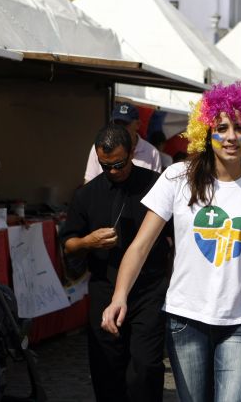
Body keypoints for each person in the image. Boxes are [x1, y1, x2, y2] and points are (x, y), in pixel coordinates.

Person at [101, 82, 241, 402]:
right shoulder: (177, 178)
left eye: (240, 127)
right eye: (221, 127)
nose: (231, 136)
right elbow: (140, 246)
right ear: (206, 132)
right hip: (186, 319)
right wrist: (119, 296)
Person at [61, 124, 170, 402]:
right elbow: (68, 244)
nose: (112, 171)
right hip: (103, 287)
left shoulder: (157, 184)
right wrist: (89, 242)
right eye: (104, 165)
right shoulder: (86, 194)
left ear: (133, 152)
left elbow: (177, 234)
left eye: (118, 164)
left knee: (145, 365)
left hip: (149, 288)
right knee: (106, 367)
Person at [84, 102, 162, 183]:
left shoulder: (152, 153)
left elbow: (156, 187)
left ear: (138, 124)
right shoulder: (99, 148)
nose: (120, 128)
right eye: (117, 123)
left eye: (125, 124)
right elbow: (89, 182)